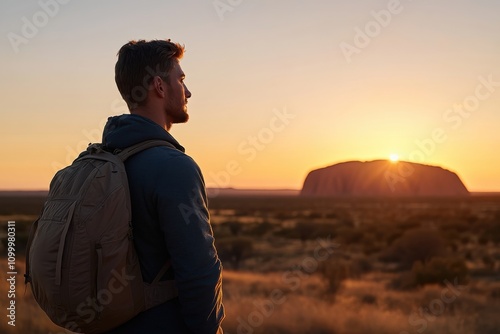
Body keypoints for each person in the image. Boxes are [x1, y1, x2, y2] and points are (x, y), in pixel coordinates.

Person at [102, 39, 224, 333]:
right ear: (159, 86)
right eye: (180, 79)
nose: (188, 91)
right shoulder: (174, 167)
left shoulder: (102, 160)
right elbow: (199, 273)